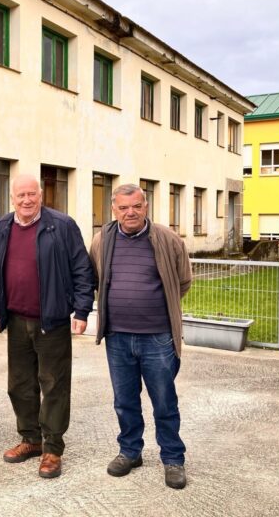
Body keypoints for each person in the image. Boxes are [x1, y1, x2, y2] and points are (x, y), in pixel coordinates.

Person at [89, 183, 193, 490]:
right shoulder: (102, 240)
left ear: (145, 207)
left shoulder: (167, 239)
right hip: (117, 337)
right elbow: (96, 278)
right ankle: (130, 452)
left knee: (164, 401)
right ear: (114, 210)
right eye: (123, 207)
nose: (130, 212)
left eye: (136, 206)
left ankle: (173, 458)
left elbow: (183, 281)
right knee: (124, 401)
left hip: (157, 337)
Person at [0, 173, 95, 479]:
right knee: (19, 385)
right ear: (12, 197)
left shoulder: (61, 225)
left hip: (51, 320)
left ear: (41, 195)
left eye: (31, 194)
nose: (26, 200)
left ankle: (52, 448)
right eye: (20, 195)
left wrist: (81, 309)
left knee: (53, 384)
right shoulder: (2, 226)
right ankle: (31, 439)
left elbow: (81, 268)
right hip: (15, 319)